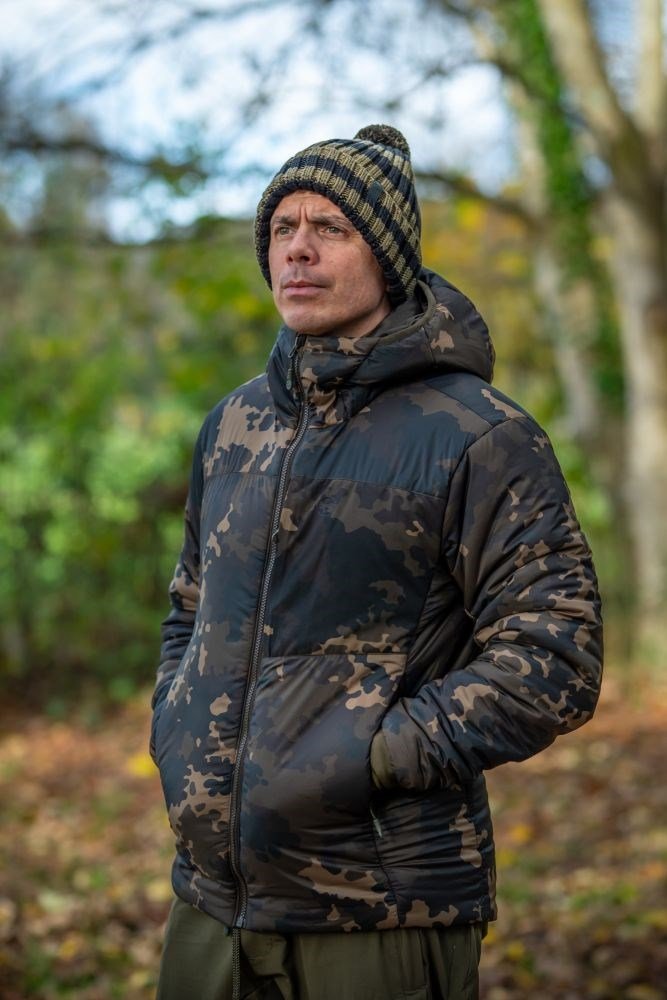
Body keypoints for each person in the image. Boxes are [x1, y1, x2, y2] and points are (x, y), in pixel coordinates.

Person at [150, 124, 603, 1000]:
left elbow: (556, 655)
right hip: (209, 906)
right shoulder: (234, 426)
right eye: (282, 228)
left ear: (388, 259)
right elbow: (189, 609)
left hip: (380, 913)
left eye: (330, 227)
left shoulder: (478, 434)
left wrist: (372, 754)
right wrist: (174, 720)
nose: (297, 248)